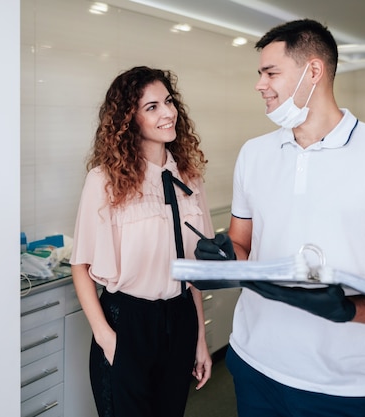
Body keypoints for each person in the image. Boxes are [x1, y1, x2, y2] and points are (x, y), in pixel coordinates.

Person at [195, 19, 365, 416]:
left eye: (270, 72)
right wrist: (224, 259)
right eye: (259, 74)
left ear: (313, 71)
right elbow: (242, 245)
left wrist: (349, 309)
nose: (260, 84)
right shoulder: (254, 154)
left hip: (344, 388)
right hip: (253, 365)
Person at [70, 66, 213, 417]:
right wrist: (106, 338)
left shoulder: (189, 179)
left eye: (168, 101)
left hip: (180, 319)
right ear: (128, 119)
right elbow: (81, 265)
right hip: (127, 321)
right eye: (151, 107)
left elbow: (192, 271)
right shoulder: (104, 180)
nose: (167, 113)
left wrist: (199, 340)